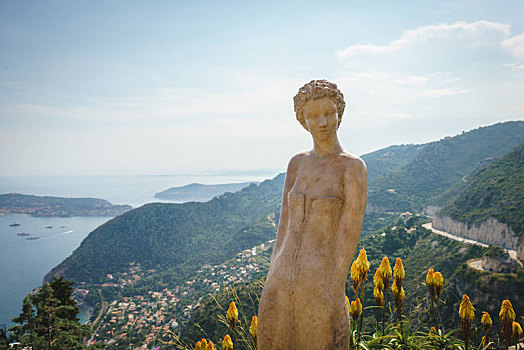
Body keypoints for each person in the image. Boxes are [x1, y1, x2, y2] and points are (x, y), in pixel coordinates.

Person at [257, 80, 367, 349]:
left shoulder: (352, 168)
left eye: (329, 113)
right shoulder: (297, 164)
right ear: (303, 120)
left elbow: (348, 235)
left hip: (321, 283)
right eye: (314, 116)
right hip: (281, 279)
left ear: (340, 112)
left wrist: (333, 285)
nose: (322, 122)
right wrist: (272, 275)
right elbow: (283, 227)